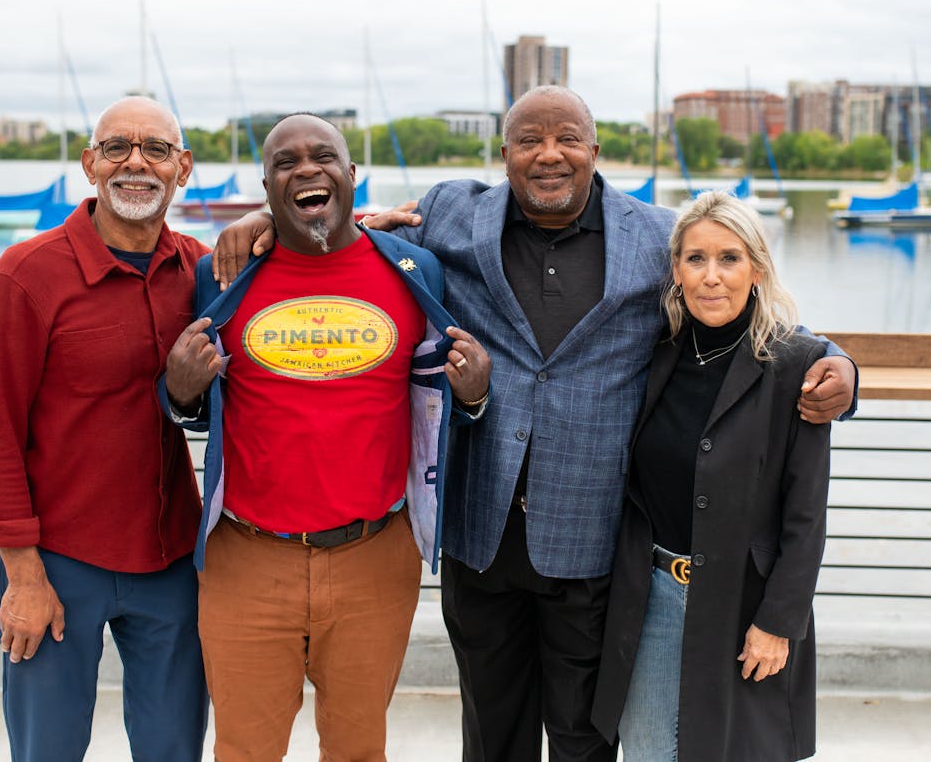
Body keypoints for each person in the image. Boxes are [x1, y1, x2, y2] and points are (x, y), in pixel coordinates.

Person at [211, 86, 855, 761]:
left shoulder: (658, 236)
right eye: (530, 140)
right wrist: (259, 219)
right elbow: (336, 221)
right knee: (492, 735)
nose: (550, 154)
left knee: (584, 738)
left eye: (568, 138)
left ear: (595, 151)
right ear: (505, 153)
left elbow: (749, 303)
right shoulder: (449, 216)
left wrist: (840, 365)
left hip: (594, 538)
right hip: (481, 535)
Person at [160, 113, 491, 761]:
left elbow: (437, 402)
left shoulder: (416, 271)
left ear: (351, 175)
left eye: (323, 157)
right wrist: (177, 391)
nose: (306, 169)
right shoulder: (221, 279)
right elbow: (198, 408)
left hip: (375, 556)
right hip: (246, 559)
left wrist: (474, 397)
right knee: (245, 750)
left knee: (358, 749)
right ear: (266, 186)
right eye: (286, 162)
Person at [0, 96, 211, 762]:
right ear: (89, 164)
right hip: (55, 562)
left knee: (174, 748)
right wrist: (22, 575)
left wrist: (359, 226)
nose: (136, 162)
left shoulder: (202, 271)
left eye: (156, 149)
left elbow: (291, 273)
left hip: (171, 562)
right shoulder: (25, 275)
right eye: (117, 147)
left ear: (182, 168)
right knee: (49, 749)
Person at [591, 190, 830, 761]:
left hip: (744, 609)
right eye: (696, 259)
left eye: (729, 258)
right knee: (650, 753)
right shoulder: (657, 352)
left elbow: (807, 514)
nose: (712, 276)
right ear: (675, 270)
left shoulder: (794, 365)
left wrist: (778, 622)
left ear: (757, 269)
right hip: (649, 602)